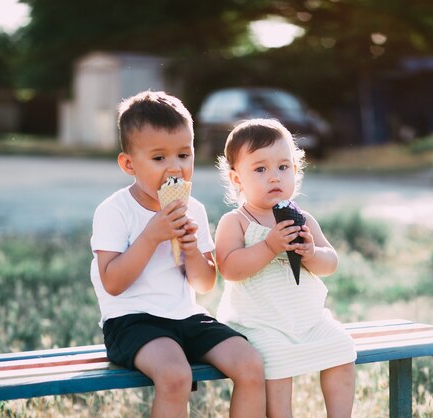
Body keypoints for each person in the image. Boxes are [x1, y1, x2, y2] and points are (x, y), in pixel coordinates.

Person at [90, 90, 266, 418]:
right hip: (130, 320)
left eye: (184, 155)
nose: (175, 168)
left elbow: (204, 284)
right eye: (159, 158)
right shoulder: (115, 211)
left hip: (185, 316)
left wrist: (190, 249)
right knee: (175, 376)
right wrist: (151, 236)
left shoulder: (192, 209)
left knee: (251, 364)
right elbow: (112, 283)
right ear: (129, 164)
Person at [215, 119, 357, 418]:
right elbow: (228, 267)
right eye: (260, 169)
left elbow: (330, 262)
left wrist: (310, 253)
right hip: (257, 323)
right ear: (237, 179)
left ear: (296, 170)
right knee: (276, 361)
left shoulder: (302, 218)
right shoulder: (237, 221)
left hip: (307, 319)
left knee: (342, 350)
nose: (274, 177)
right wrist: (269, 246)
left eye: (283, 167)